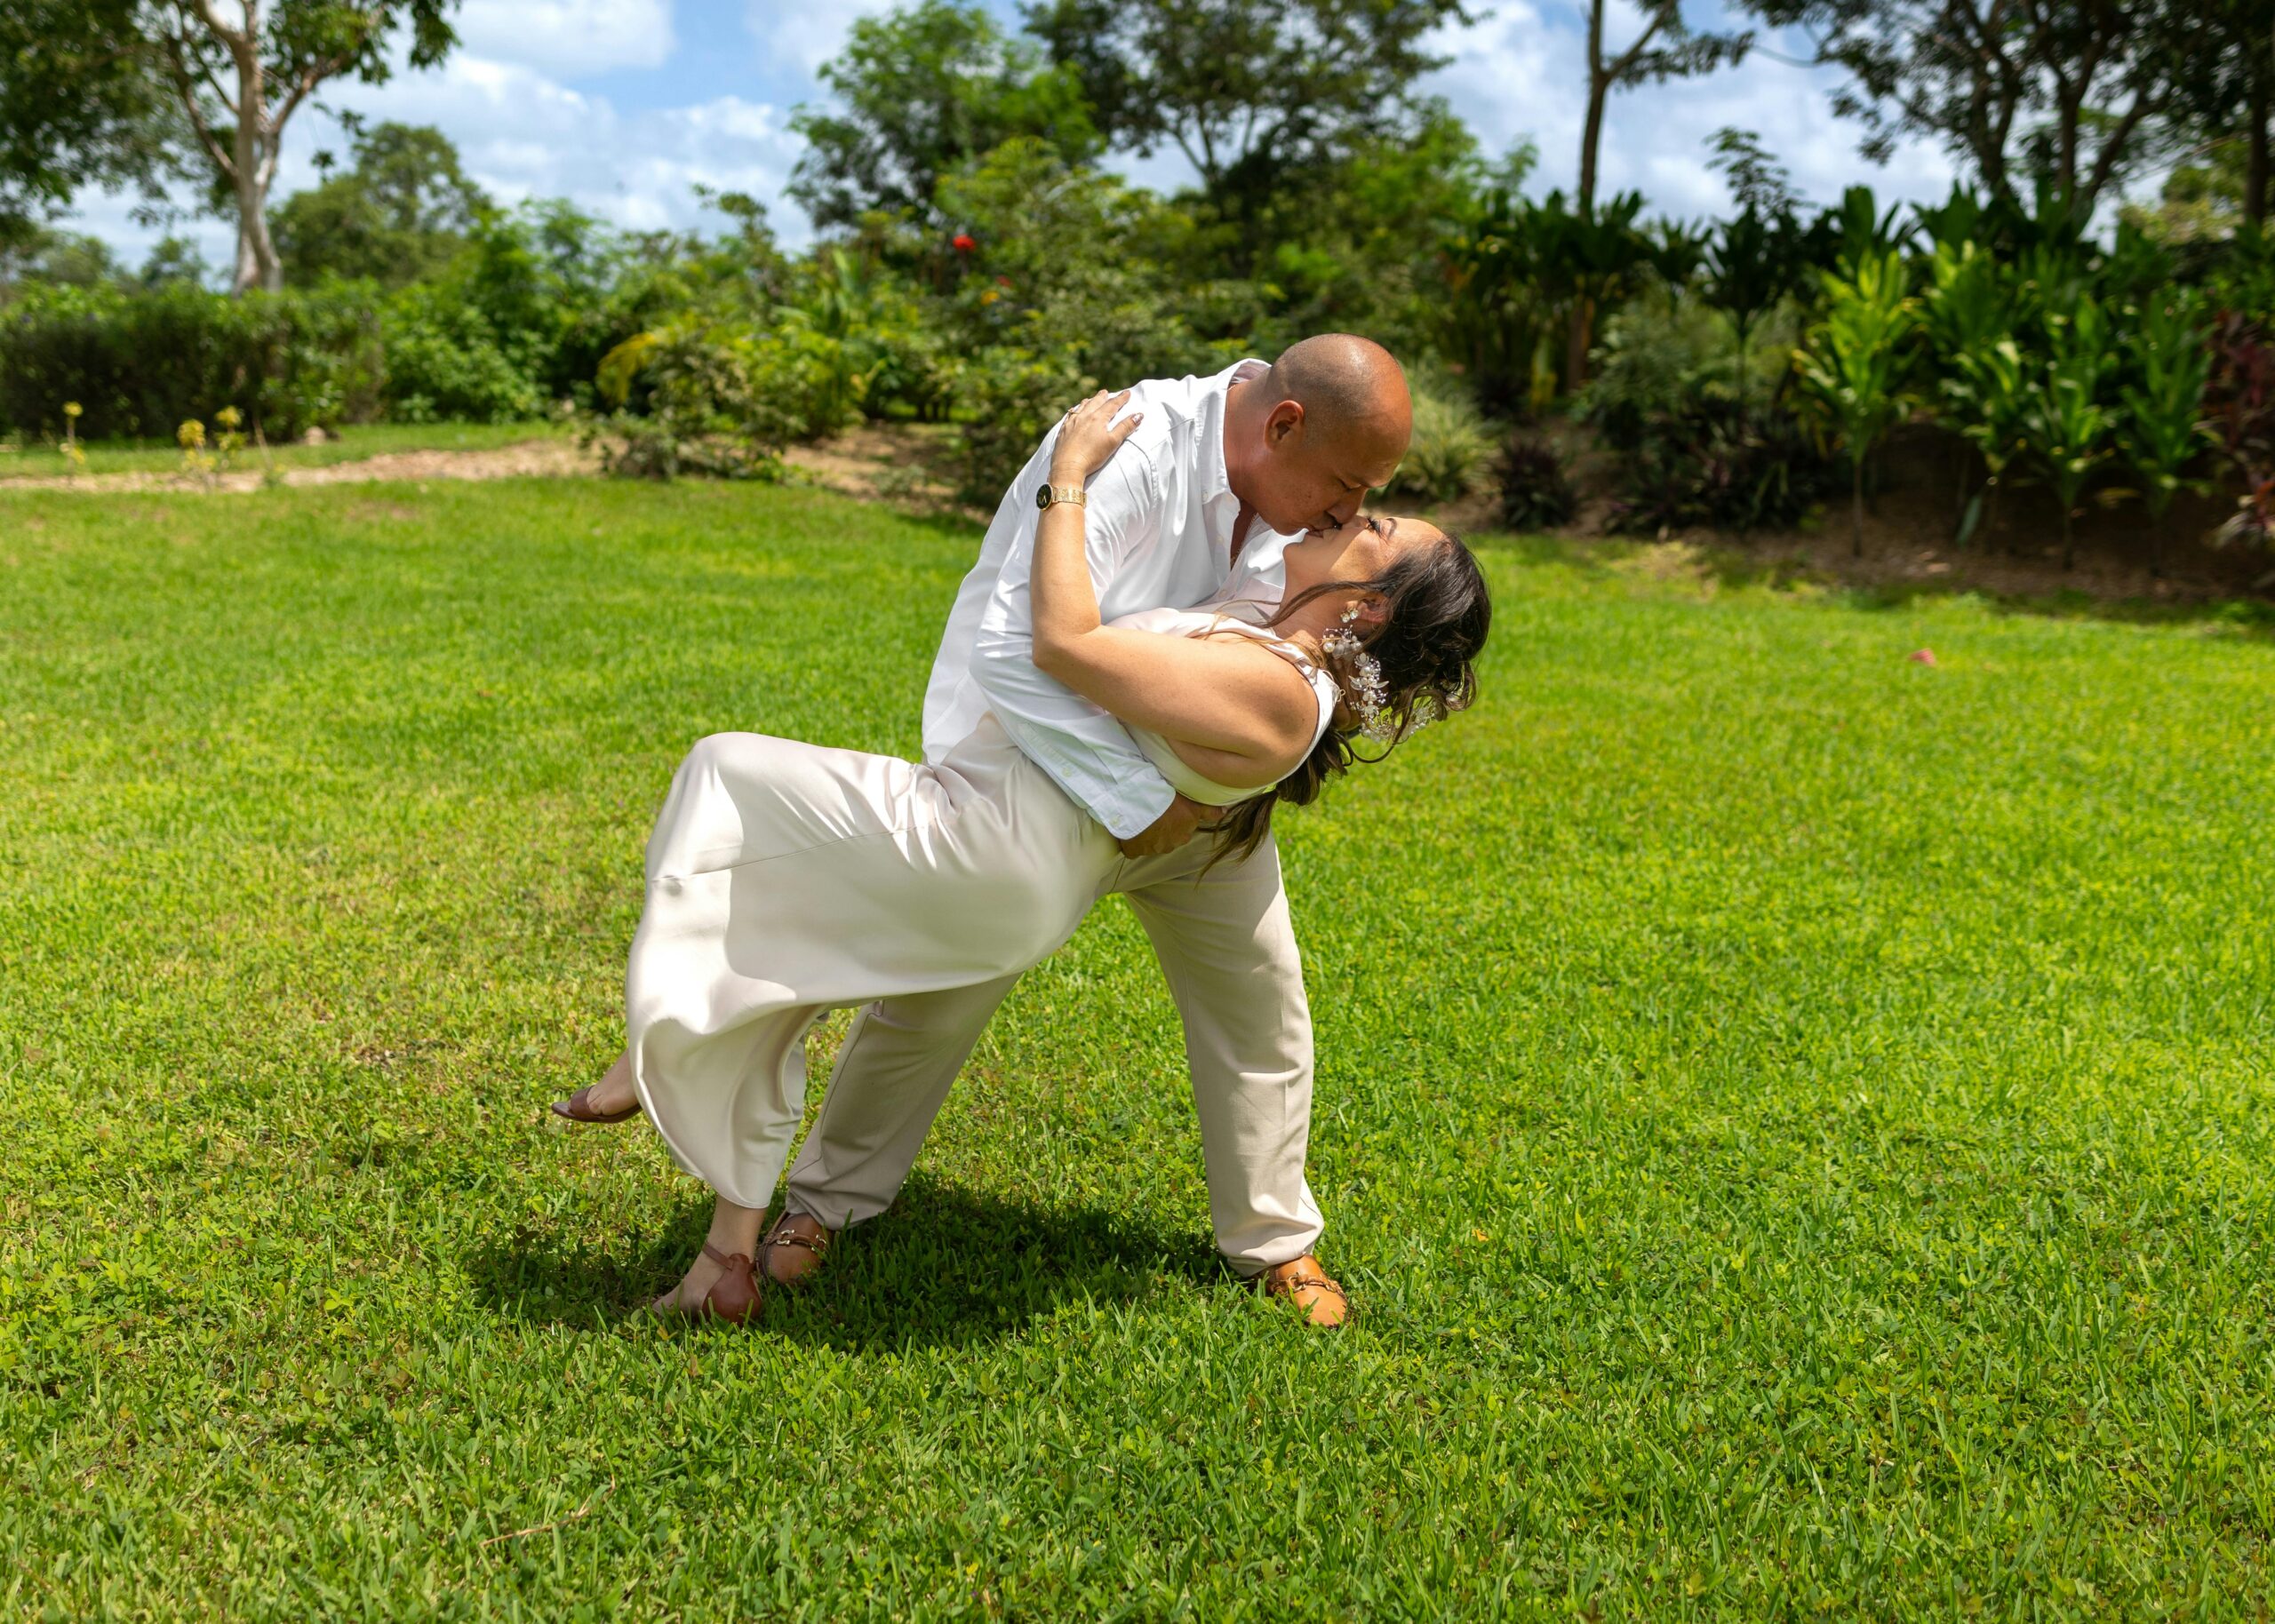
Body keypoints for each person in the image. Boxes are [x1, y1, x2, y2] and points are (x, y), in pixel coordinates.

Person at [557, 344, 1489, 1327]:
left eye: (1367, 503)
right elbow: (1019, 647)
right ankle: (822, 1205)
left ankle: (1276, 1241)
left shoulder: (1312, 522)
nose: (1345, 512)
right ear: (1285, 424)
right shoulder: (1133, 445)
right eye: (1348, 488)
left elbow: (1302, 665)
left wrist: (1236, 775)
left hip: (1202, 814)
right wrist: (1140, 795)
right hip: (1056, 790)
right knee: (933, 998)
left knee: (1262, 1006)